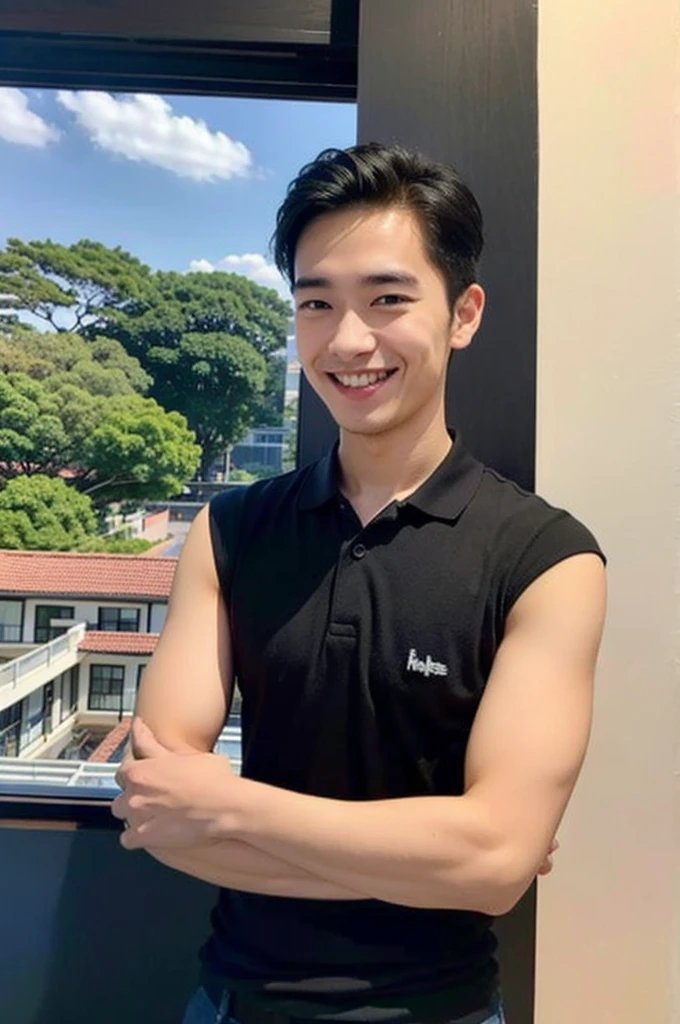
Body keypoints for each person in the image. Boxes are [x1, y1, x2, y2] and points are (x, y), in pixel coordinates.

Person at [112, 143, 607, 1024]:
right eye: (316, 303)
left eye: (388, 299)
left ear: (463, 314)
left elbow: (492, 866)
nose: (347, 341)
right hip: (232, 1000)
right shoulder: (227, 532)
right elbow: (158, 814)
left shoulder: (548, 560)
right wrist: (445, 858)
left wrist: (230, 804)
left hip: (442, 1010)